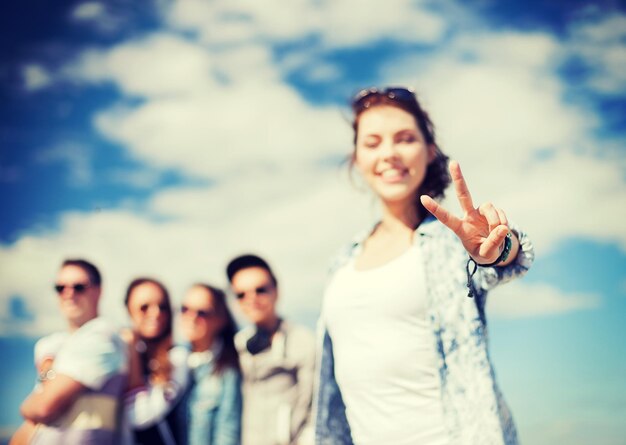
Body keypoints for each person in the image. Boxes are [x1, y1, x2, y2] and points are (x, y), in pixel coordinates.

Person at [315, 87, 535, 445]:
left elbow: (505, 260)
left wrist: (498, 247)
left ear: (429, 151)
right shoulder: (342, 262)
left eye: (405, 139)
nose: (389, 153)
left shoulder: (450, 241)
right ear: (356, 157)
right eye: (372, 143)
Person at [16, 259, 128, 445]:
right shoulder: (56, 344)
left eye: (78, 287)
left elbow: (43, 407)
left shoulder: (101, 337)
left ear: (98, 291)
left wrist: (26, 407)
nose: (69, 294)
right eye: (61, 288)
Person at [226, 254, 316, 445]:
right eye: (241, 294)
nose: (252, 299)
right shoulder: (238, 344)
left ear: (276, 291)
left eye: (261, 290)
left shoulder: (302, 340)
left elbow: (313, 405)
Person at [122, 278, 188, 445]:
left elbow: (139, 417)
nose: (156, 313)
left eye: (162, 307)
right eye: (144, 307)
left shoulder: (178, 358)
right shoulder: (118, 352)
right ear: (129, 311)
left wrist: (132, 353)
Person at [175, 283, 242, 445]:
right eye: (185, 309)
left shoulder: (227, 372)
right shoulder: (173, 362)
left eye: (202, 313)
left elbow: (227, 435)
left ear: (220, 320)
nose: (191, 317)